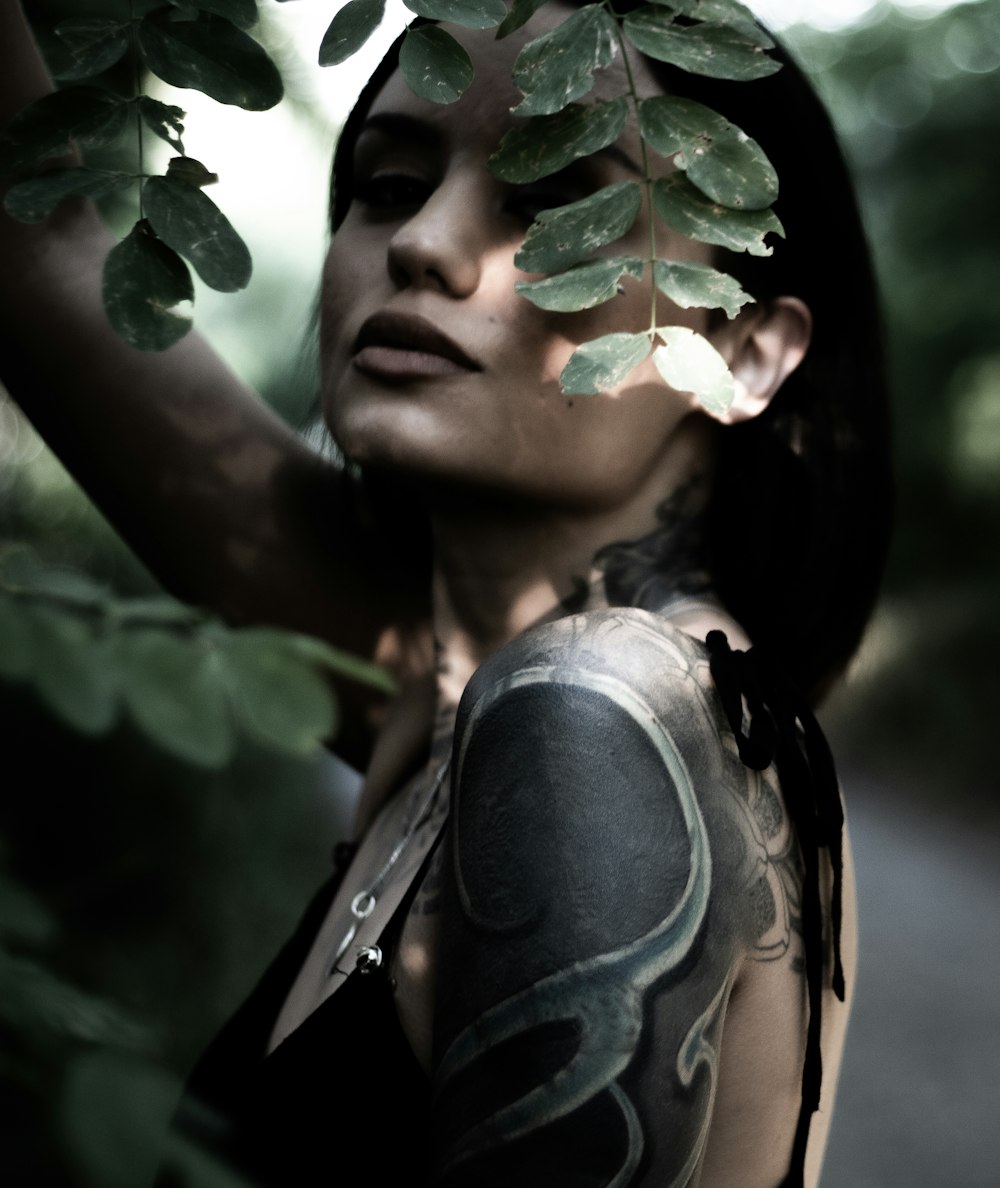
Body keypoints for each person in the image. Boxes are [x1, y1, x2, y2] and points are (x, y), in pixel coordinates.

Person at [0, 2, 891, 1185]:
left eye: (552, 197)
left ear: (738, 351)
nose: (423, 241)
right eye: (387, 184)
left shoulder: (601, 709)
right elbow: (36, 245)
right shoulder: (441, 681)